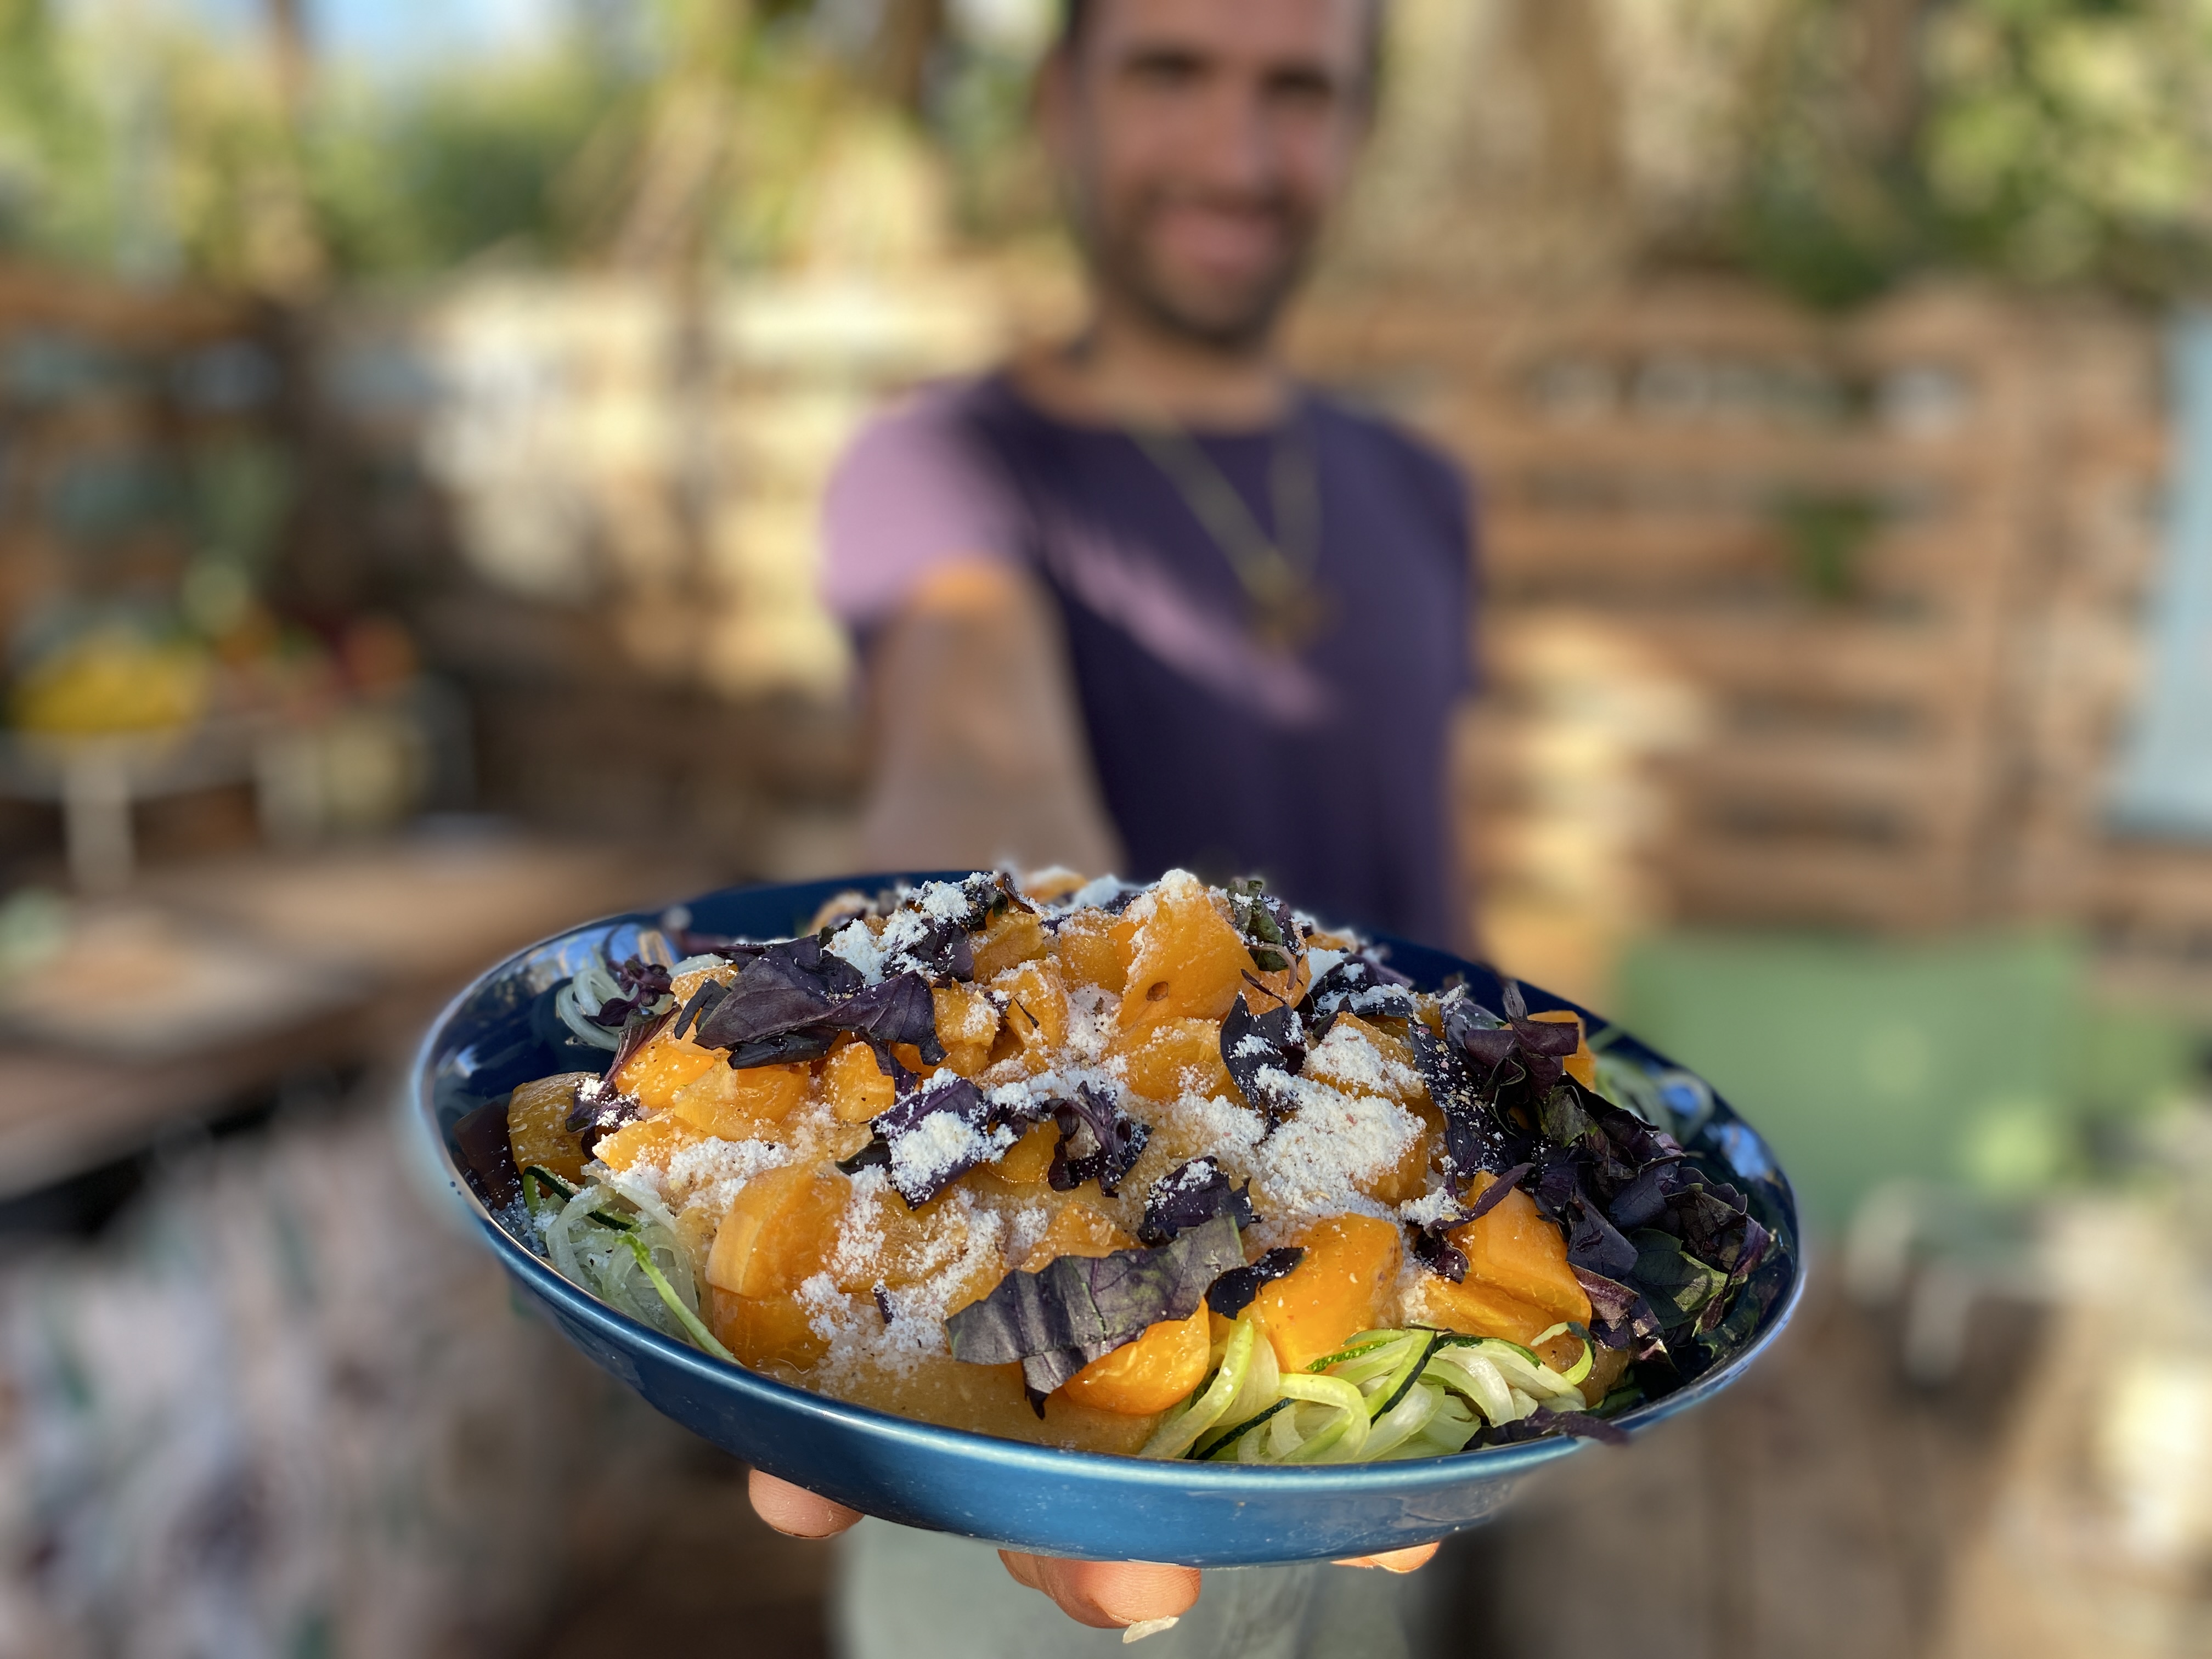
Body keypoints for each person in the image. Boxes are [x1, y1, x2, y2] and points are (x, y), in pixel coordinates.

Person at [753, 0, 1474, 1649]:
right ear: (1059, 105)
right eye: (1171, 71)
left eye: (1297, 88)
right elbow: (975, 755)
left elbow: (1438, 870)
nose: (1236, 148)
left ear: (1360, 128)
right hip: (1033, 1426)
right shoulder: (944, 463)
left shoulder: (1418, 489)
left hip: (1372, 1414)